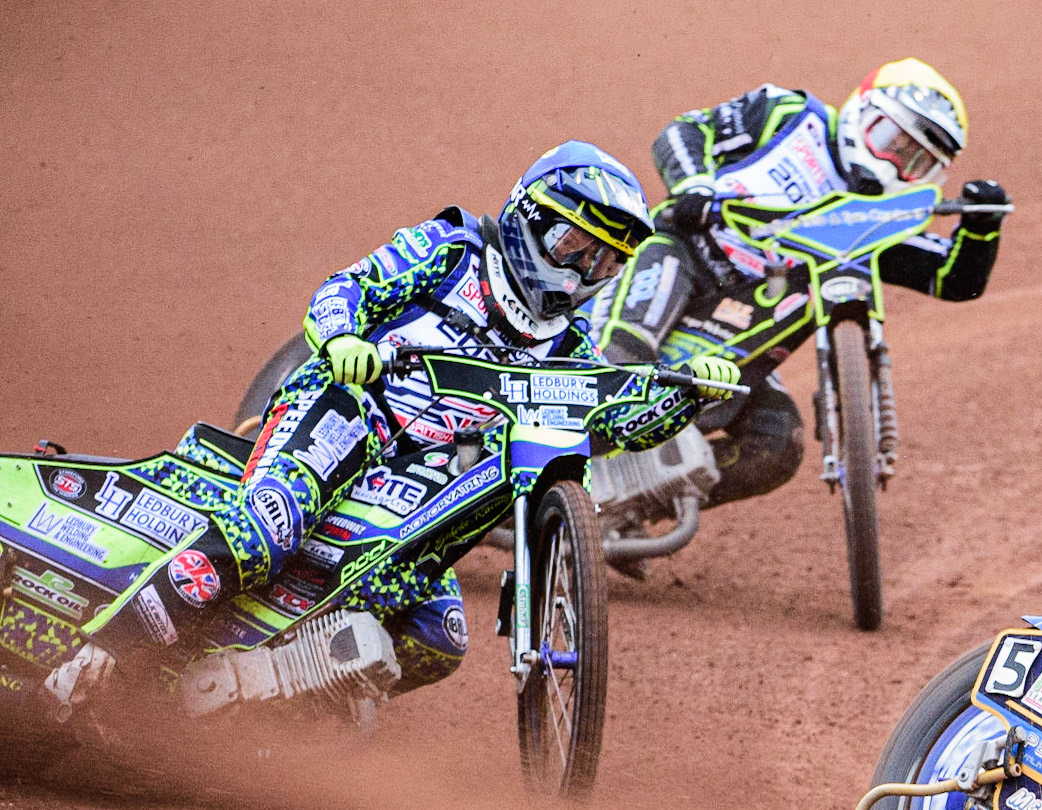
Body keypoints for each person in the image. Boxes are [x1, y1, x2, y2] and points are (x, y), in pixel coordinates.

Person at [53, 142, 738, 708]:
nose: (585, 270)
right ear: (531, 218)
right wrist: (344, 338)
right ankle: (94, 657)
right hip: (350, 409)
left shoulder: (570, 345)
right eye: (575, 245)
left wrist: (688, 395)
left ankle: (259, 707)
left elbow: (610, 420)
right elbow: (345, 289)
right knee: (266, 530)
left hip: (425, 469)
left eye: (606, 261)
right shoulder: (454, 248)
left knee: (437, 638)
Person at [584, 59, 1010, 508]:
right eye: (890, 142)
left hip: (743, 324)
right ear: (861, 112)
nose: (893, 167)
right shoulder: (787, 115)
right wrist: (693, 187)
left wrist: (981, 229)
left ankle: (622, 507)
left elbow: (953, 279)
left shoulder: (874, 225)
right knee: (624, 358)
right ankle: (541, 452)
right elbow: (684, 132)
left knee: (777, 443)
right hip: (683, 255)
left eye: (916, 163)